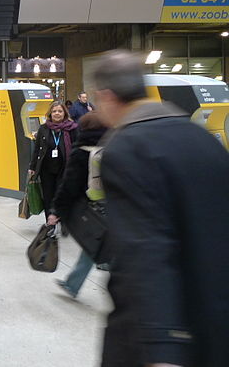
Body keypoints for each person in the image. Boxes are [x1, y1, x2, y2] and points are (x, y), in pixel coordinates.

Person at [92, 50, 229, 367]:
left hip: (157, 337)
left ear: (107, 96)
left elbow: (145, 249)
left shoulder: (126, 147)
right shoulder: (202, 137)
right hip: (214, 319)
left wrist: (161, 346)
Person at [45, 112, 109, 298]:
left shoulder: (81, 151)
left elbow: (69, 185)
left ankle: (73, 284)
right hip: (116, 205)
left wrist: (56, 210)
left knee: (93, 243)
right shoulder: (113, 147)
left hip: (92, 205)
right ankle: (73, 284)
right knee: (97, 243)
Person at [28, 101, 78, 220]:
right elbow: (37, 149)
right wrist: (32, 167)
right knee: (48, 197)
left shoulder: (72, 128)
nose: (57, 113)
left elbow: (77, 148)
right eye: (54, 111)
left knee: (61, 196)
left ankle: (61, 221)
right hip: (46, 170)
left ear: (64, 113)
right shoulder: (44, 129)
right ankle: (49, 223)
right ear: (50, 113)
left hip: (64, 168)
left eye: (60, 111)